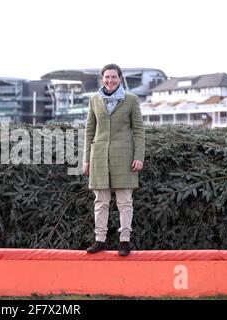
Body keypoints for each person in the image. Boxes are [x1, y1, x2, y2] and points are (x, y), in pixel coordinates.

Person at [83, 63, 145, 256]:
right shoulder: (94, 100)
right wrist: (86, 159)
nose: (110, 80)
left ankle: (124, 240)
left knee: (124, 202)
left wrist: (139, 156)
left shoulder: (131, 100)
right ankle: (99, 240)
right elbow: (89, 131)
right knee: (100, 201)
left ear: (120, 79)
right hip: (99, 156)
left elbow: (139, 130)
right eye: (107, 77)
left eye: (114, 77)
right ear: (103, 79)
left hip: (124, 158)